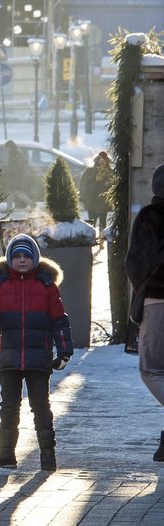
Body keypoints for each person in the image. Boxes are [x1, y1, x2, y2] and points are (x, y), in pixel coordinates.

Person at [0, 234, 73, 471]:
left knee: (40, 405)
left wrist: (64, 351)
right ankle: (6, 454)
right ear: (9, 259)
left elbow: (59, 321)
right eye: (17, 256)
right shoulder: (0, 285)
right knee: (9, 405)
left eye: (26, 256)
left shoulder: (47, 286)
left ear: (35, 258)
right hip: (9, 357)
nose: (22, 260)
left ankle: (48, 455)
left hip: (38, 357)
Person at [125, 164, 164, 462]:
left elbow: (135, 262)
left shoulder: (150, 217)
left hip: (159, 299)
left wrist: (143, 286)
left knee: (150, 368)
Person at [79, 151, 113, 230]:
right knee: (91, 224)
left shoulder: (110, 172)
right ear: (97, 160)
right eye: (100, 159)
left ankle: (102, 238)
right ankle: (91, 237)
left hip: (103, 202)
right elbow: (83, 185)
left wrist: (109, 184)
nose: (101, 161)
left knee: (102, 223)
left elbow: (114, 183)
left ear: (106, 160)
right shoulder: (89, 171)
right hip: (91, 201)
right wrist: (83, 197)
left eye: (103, 159)